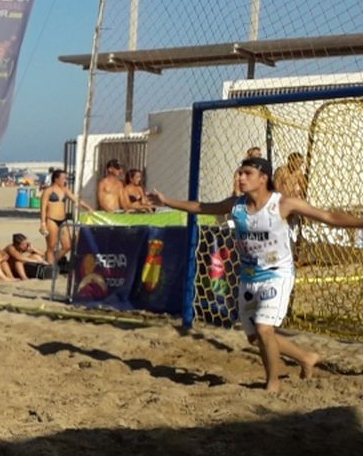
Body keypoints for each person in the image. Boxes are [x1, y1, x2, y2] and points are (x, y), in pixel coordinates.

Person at [148, 156, 363, 391]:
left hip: (277, 274)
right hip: (249, 277)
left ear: (263, 178)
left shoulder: (283, 204)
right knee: (254, 337)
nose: (240, 177)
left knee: (263, 328)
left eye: (247, 173)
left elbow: (329, 217)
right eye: (240, 172)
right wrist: (165, 200)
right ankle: (305, 357)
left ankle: (273, 384)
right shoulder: (236, 205)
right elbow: (201, 207)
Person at [38, 169, 89, 264]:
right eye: (64, 178)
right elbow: (43, 208)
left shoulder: (65, 190)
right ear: (56, 179)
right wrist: (43, 223)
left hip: (63, 220)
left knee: (68, 246)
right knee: (51, 245)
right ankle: (50, 267)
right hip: (51, 220)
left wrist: (89, 208)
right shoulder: (48, 191)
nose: (65, 180)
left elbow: (76, 200)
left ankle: (50, 259)